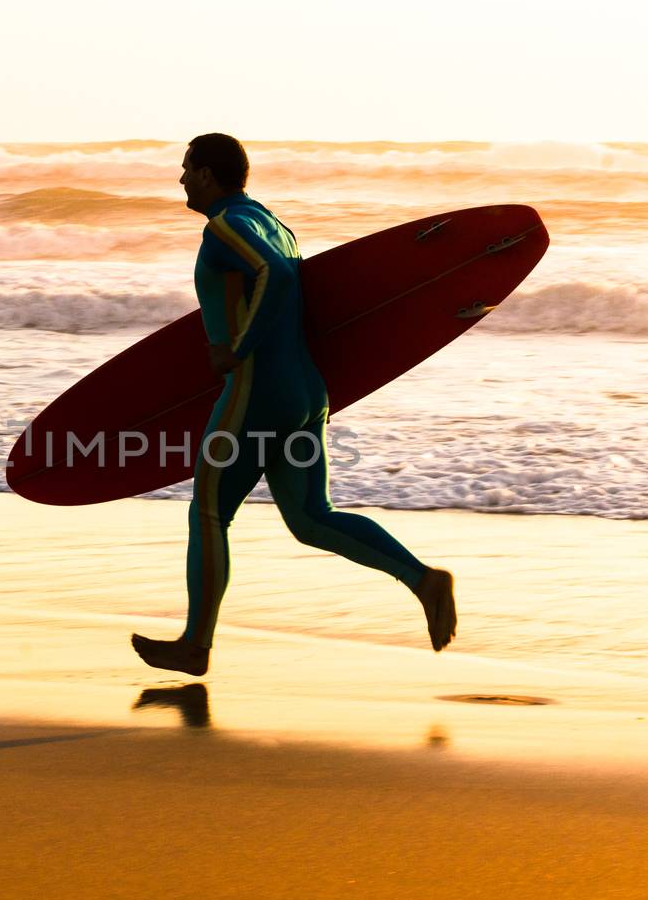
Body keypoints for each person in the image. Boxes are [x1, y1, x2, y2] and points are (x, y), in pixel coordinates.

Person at [131, 133, 456, 676]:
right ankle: (423, 579)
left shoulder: (226, 226)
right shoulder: (275, 224)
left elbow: (276, 279)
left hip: (257, 392)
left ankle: (196, 644)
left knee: (208, 510)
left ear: (209, 174)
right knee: (310, 518)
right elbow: (287, 279)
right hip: (306, 393)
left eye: (187, 168)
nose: (181, 178)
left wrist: (238, 347)